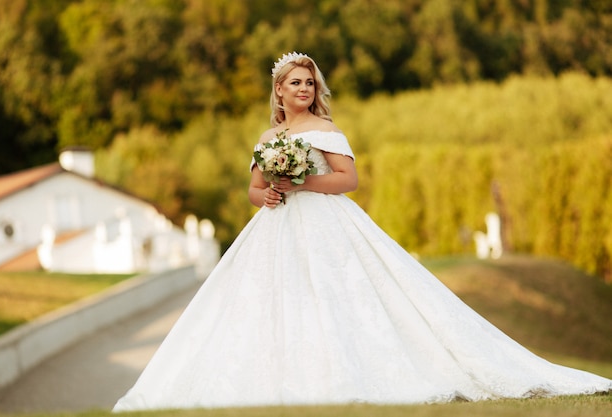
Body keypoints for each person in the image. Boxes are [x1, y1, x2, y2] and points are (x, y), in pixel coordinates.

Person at [113, 52, 611, 411]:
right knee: (272, 302)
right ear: (279, 92)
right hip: (276, 226)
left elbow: (349, 180)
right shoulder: (268, 138)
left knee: (336, 295)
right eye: (295, 84)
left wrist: (303, 180)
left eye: (310, 82)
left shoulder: (328, 131)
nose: (304, 90)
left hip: (326, 223)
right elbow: (254, 187)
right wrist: (266, 194)